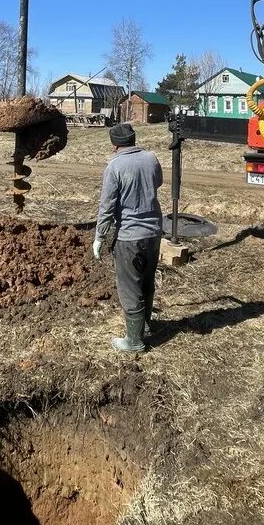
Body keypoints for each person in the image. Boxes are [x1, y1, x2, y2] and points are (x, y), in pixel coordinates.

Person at [92, 122, 164, 353]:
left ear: (114, 144)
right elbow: (158, 182)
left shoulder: (115, 167)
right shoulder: (151, 158)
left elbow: (107, 205)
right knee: (146, 281)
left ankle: (134, 341)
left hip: (129, 237)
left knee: (130, 286)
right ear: (134, 139)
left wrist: (99, 237)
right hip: (154, 232)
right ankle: (147, 325)